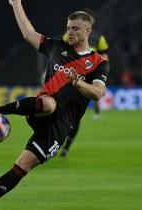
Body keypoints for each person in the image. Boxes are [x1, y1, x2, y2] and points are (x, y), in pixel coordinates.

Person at [0, 0, 110, 209]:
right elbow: (28, 33)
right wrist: (16, 4)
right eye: (68, 28)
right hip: (40, 110)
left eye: (75, 28)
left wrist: (77, 82)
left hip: (60, 126)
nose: (69, 32)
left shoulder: (99, 62)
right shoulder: (56, 46)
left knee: (22, 166)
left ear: (88, 30)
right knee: (49, 104)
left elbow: (98, 93)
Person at [60, 9, 110, 157]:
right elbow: (58, 54)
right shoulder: (69, 36)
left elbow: (104, 58)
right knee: (59, 112)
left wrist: (103, 79)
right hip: (67, 79)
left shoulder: (99, 38)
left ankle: (66, 147)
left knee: (75, 116)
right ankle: (55, 142)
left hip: (86, 82)